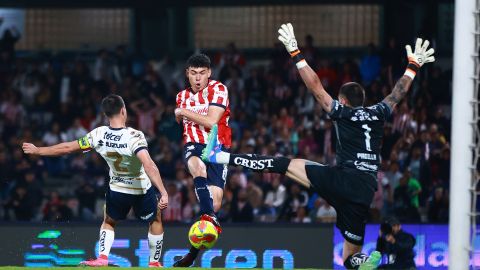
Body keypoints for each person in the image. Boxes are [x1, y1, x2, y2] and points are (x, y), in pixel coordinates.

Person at [201, 23, 434, 270]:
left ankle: (221, 157)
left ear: (344, 100)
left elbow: (316, 87)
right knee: (348, 259)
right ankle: (365, 262)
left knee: (284, 164)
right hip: (366, 189)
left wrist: (295, 52)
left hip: (343, 178)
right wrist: (413, 66)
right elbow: (397, 94)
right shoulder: (379, 112)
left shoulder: (342, 112)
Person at [22, 94, 169, 267]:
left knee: (109, 221)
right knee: (156, 220)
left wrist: (38, 150)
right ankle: (154, 263)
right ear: (124, 111)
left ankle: (102, 258)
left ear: (106, 115)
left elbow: (68, 148)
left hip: (117, 188)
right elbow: (149, 164)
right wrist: (163, 192)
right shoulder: (135, 136)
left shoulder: (98, 134)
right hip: (141, 189)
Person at [173, 53, 231, 267]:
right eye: (194, 73)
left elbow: (212, 121)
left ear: (209, 73)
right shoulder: (181, 96)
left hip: (218, 147)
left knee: (215, 202)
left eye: (202, 73)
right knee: (197, 166)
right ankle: (208, 216)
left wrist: (182, 111)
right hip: (194, 146)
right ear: (187, 74)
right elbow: (183, 122)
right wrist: (181, 111)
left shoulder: (219, 89)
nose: (198, 78)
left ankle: (191, 255)